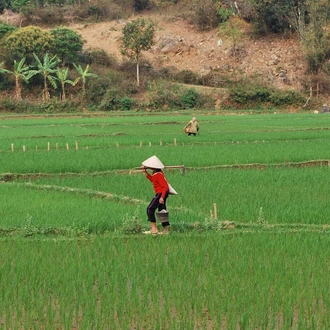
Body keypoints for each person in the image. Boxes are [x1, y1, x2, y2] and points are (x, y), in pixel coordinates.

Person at [142, 166, 170, 235]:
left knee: (150, 209)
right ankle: (165, 230)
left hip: (161, 193)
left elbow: (165, 187)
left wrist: (162, 197)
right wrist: (145, 172)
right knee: (162, 210)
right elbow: (153, 179)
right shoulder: (156, 174)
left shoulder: (159, 174)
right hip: (161, 193)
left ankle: (154, 228)